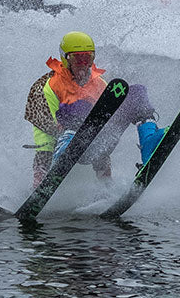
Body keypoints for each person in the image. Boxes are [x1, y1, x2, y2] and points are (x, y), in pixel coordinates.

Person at [23, 32, 165, 187]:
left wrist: (106, 183)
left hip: (98, 143)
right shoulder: (49, 88)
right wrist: (39, 179)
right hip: (68, 147)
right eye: (77, 59)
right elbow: (43, 134)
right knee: (80, 107)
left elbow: (101, 123)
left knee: (136, 93)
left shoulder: (100, 84)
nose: (83, 64)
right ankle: (66, 146)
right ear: (65, 59)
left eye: (88, 58)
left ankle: (149, 141)